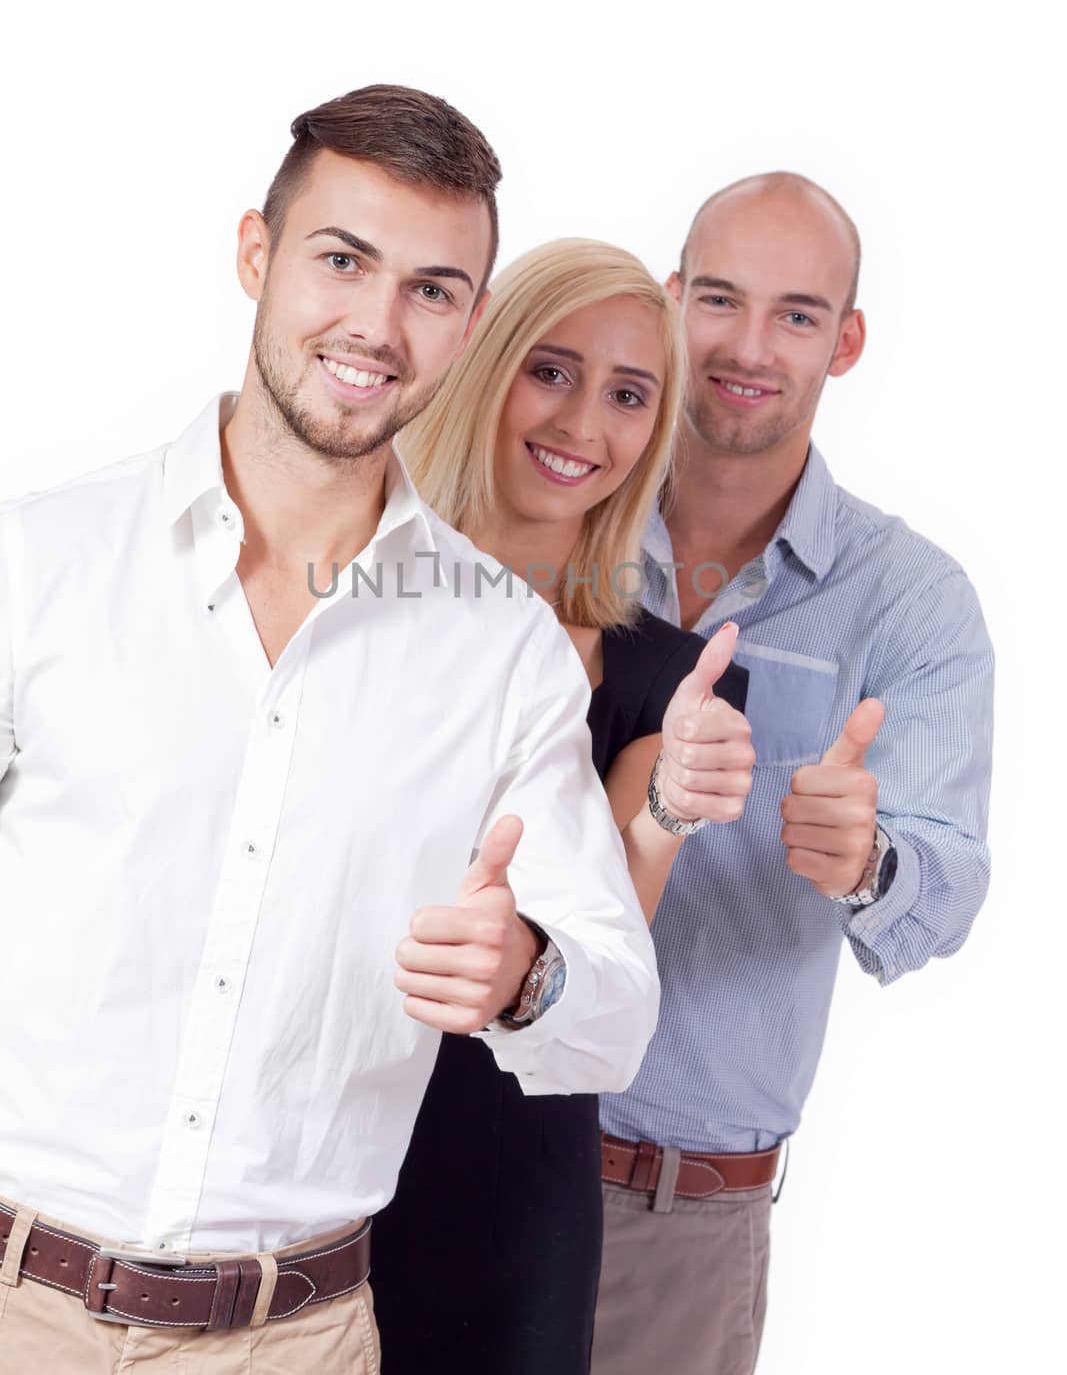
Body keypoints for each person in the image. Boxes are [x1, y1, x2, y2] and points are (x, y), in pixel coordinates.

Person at [0, 85, 694, 1373]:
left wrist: (524, 974)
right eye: (341, 259)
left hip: (294, 1339)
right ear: (256, 254)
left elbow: (615, 1012)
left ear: (467, 322)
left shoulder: (499, 652)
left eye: (431, 288)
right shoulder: (37, 566)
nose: (376, 326)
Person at [591, 172, 995, 1375]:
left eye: (797, 314)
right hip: (454, 1144)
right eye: (717, 299)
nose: (747, 347)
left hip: (669, 1214)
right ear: (667, 303)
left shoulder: (911, 599)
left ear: (846, 339)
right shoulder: (561, 510)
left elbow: (948, 888)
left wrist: (865, 856)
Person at [370, 238, 755, 1372]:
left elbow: (605, 938)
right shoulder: (351, 598)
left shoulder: (663, 675)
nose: (583, 422)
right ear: (484, 365)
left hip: (505, 1171)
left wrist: (669, 806)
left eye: (629, 394)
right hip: (313, 1135)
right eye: (551, 369)